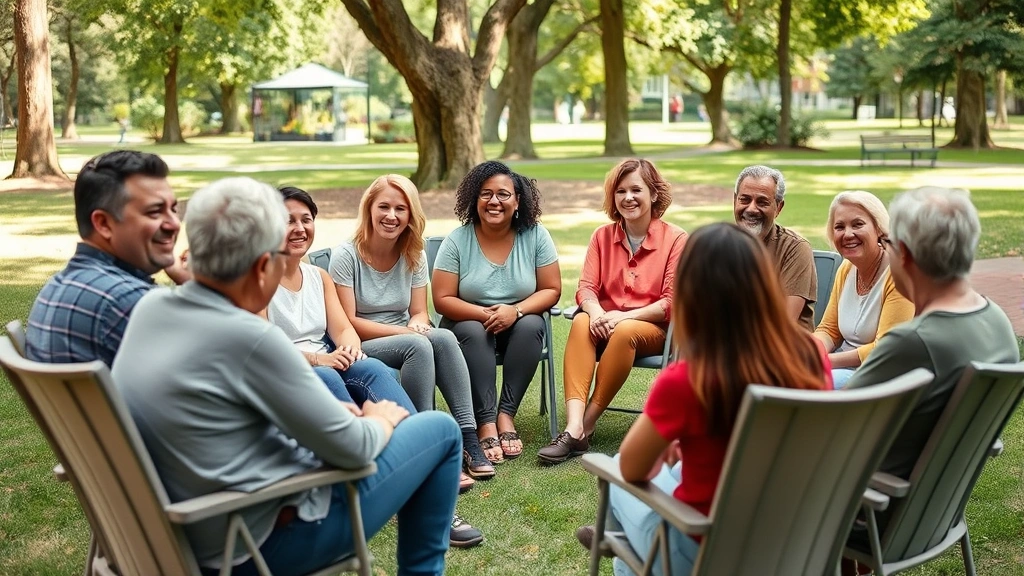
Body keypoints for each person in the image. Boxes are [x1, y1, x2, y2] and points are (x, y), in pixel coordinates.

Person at [111, 177, 463, 576]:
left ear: (192, 253)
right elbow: (353, 449)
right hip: (252, 545)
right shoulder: (253, 339)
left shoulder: (151, 309)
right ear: (264, 266)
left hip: (173, 531)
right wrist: (379, 420)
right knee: (440, 431)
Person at [575, 223, 833, 576]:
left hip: (707, 554)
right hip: (793, 543)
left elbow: (633, 469)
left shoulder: (690, 379)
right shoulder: (811, 354)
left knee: (617, 475)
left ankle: (625, 552)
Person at [268, 185, 484, 547]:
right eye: (289, 220)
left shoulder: (316, 277)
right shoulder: (258, 279)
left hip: (333, 355)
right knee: (329, 379)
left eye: (306, 219)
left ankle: (425, 463)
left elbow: (342, 328)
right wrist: (321, 358)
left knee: (377, 372)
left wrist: (351, 349)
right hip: (298, 368)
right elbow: (265, 347)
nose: (300, 228)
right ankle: (381, 489)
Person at [840, 187, 1019, 575]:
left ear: (903, 254)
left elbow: (833, 426)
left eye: (886, 243)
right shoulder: (996, 321)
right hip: (934, 511)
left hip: (876, 515)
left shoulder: (914, 341)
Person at [330, 175, 496, 481]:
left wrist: (417, 325)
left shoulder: (414, 253)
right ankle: (426, 445)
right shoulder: (347, 255)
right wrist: (408, 334)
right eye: (383, 207)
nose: (391, 216)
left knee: (443, 336)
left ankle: (468, 439)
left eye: (400, 209)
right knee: (418, 345)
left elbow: (419, 312)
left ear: (410, 215)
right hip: (362, 343)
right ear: (369, 208)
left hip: (405, 336)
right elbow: (349, 322)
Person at [539, 159, 687, 464]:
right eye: (621, 191)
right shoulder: (601, 236)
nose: (628, 197)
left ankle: (587, 424)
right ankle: (573, 426)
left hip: (653, 329)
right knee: (580, 321)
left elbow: (671, 302)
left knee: (625, 330)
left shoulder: (676, 239)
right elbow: (586, 288)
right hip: (604, 323)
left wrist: (622, 316)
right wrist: (594, 313)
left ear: (654, 194)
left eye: (636, 189)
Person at [432, 161, 561, 463]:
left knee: (532, 325)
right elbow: (442, 298)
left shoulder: (535, 236)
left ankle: (506, 416)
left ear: (518, 200)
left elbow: (551, 290)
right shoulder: (458, 240)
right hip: (467, 327)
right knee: (473, 331)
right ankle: (485, 421)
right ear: (474, 200)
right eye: (485, 194)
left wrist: (514, 312)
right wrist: (484, 315)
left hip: (518, 326)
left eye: (503, 194)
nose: (494, 201)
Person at [26, 150, 189, 366]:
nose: (174, 224)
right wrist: (193, 282)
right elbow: (238, 360)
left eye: (173, 209)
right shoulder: (132, 303)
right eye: (154, 212)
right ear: (103, 224)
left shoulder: (57, 287)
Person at [813, 191, 914, 388]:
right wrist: (812, 351)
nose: (848, 234)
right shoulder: (846, 268)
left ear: (879, 228)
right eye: (839, 227)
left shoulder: (899, 274)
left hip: (879, 375)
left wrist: (825, 362)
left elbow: (886, 349)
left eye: (857, 224)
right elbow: (829, 329)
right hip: (843, 368)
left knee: (811, 384)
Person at [733, 165, 817, 330]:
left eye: (762, 202)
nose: (751, 209)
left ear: (778, 208)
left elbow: (783, 325)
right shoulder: (719, 246)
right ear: (734, 200)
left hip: (782, 351)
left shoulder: (795, 249)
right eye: (745, 199)